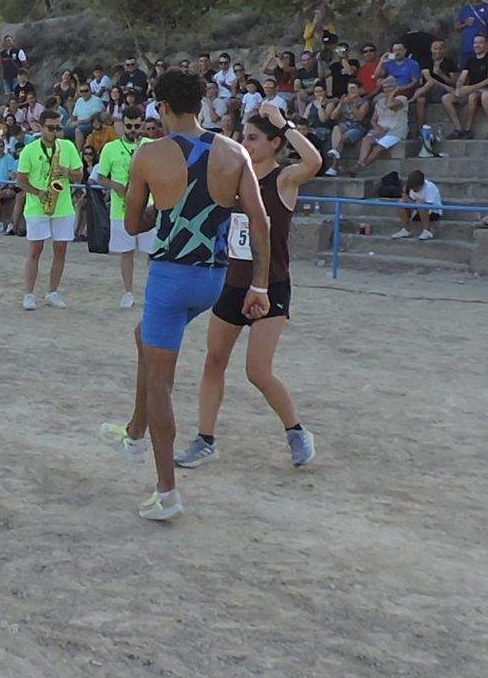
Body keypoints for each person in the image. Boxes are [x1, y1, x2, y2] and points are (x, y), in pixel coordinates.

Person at [98, 70, 270, 521]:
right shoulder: (233, 151)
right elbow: (259, 221)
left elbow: (135, 224)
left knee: (161, 381)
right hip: (214, 279)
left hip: (172, 277)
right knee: (145, 338)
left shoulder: (150, 154)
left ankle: (166, 491)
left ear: (162, 107)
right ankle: (135, 431)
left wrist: (164, 206)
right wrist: (260, 285)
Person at [176, 104, 320, 470]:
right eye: (244, 137)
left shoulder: (284, 180)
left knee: (257, 370)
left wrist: (284, 124)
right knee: (214, 361)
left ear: (274, 143)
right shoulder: (234, 178)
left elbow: (314, 161)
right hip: (231, 284)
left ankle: (296, 432)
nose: (246, 144)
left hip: (271, 286)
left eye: (254, 138)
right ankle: (205, 440)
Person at [17, 108, 84, 309]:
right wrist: (39, 193)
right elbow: (21, 181)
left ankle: (52, 292)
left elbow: (79, 176)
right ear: (40, 126)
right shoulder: (29, 150)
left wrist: (66, 171)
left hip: (62, 206)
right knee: (35, 250)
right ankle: (29, 294)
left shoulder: (67, 147)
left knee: (61, 250)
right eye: (51, 128)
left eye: (58, 128)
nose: (55, 132)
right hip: (38, 206)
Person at [95, 107, 153, 307]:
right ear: (122, 124)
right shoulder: (110, 148)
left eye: (137, 126)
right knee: (126, 252)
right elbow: (100, 177)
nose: (133, 130)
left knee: (152, 253)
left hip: (148, 210)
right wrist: (116, 186)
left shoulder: (151, 146)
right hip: (121, 209)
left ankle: (150, 291)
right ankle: (128, 292)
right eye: (129, 126)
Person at [444, 34, 488, 139]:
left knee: (472, 96)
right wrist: (458, 88)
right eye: (475, 43)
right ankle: (458, 128)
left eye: (480, 43)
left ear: (486, 44)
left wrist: (472, 88)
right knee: (446, 98)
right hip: (470, 89)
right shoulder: (470, 60)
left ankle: (468, 129)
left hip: (485, 90)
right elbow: (463, 77)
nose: (477, 45)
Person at [353, 87, 408, 171]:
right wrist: (379, 129)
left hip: (396, 131)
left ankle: (363, 166)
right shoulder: (380, 102)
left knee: (378, 148)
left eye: (389, 87)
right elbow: (373, 120)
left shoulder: (402, 99)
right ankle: (359, 163)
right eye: (385, 87)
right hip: (381, 130)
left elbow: (390, 105)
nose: (386, 90)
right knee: (366, 140)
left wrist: (393, 93)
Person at [394, 169, 444, 240]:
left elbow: (429, 205)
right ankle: (406, 230)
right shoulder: (409, 188)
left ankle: (427, 231)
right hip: (416, 211)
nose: (414, 190)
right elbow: (413, 202)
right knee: (400, 203)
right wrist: (407, 198)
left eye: (416, 188)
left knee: (421, 205)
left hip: (433, 212)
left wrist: (413, 202)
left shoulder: (429, 187)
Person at [0, 135, 22, 234]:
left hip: (9, 186)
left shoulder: (10, 159)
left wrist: (1, 187)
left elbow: (11, 177)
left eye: (1, 146)